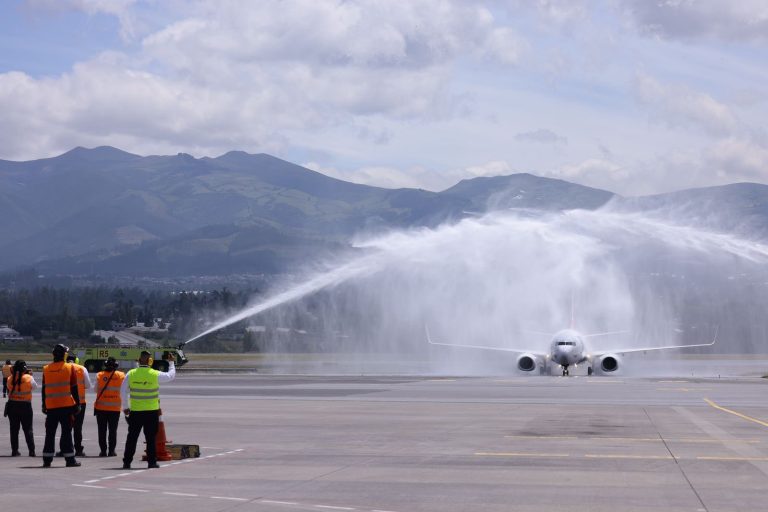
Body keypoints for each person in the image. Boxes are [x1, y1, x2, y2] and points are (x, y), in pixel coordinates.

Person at [120, 350, 175, 469]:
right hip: (151, 412)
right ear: (150, 361)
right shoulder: (154, 373)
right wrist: (171, 363)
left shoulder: (131, 373)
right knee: (150, 438)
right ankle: (152, 462)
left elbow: (123, 391)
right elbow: (170, 376)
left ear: (139, 361)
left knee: (132, 438)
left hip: (135, 412)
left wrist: (125, 408)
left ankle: (127, 462)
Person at [41, 344, 80, 468]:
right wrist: (78, 404)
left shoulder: (46, 369)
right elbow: (74, 388)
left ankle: (47, 460)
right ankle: (70, 460)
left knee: (50, 433)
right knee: (66, 433)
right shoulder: (69, 367)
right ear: (64, 354)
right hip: (66, 406)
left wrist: (44, 404)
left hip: (51, 406)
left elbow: (44, 389)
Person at [56, 354, 91, 457]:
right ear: (76, 360)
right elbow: (88, 385)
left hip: (65, 402)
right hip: (80, 402)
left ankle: (64, 449)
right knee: (77, 427)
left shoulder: (62, 369)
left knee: (65, 428)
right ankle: (78, 450)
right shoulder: (82, 368)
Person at [93, 357, 125, 457]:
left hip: (101, 408)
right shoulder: (121, 375)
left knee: (102, 431)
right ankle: (111, 451)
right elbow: (125, 390)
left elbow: (95, 390)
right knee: (112, 430)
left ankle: (103, 451)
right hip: (115, 409)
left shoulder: (99, 375)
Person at [5, 360, 37, 456]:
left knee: (14, 429)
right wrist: (28, 375)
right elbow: (34, 387)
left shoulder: (10, 378)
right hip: (25, 406)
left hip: (12, 406)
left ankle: (14, 450)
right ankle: (31, 451)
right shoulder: (28, 378)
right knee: (28, 429)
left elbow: (9, 387)